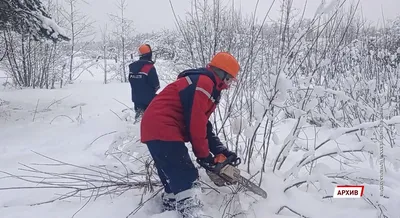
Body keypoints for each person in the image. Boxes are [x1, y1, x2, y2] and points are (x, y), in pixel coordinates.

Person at [140, 52, 240, 217]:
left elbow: (203, 125)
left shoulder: (203, 84)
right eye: (229, 79)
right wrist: (204, 156)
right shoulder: (204, 83)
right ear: (222, 74)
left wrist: (221, 150)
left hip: (155, 128)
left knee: (174, 181)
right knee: (186, 177)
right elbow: (196, 123)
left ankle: (171, 209)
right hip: (164, 127)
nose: (229, 85)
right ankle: (191, 213)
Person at [128, 44, 160, 122]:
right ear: (149, 54)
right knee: (150, 121)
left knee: (139, 120)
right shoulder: (149, 67)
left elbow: (131, 81)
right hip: (149, 99)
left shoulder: (132, 67)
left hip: (136, 99)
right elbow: (156, 84)